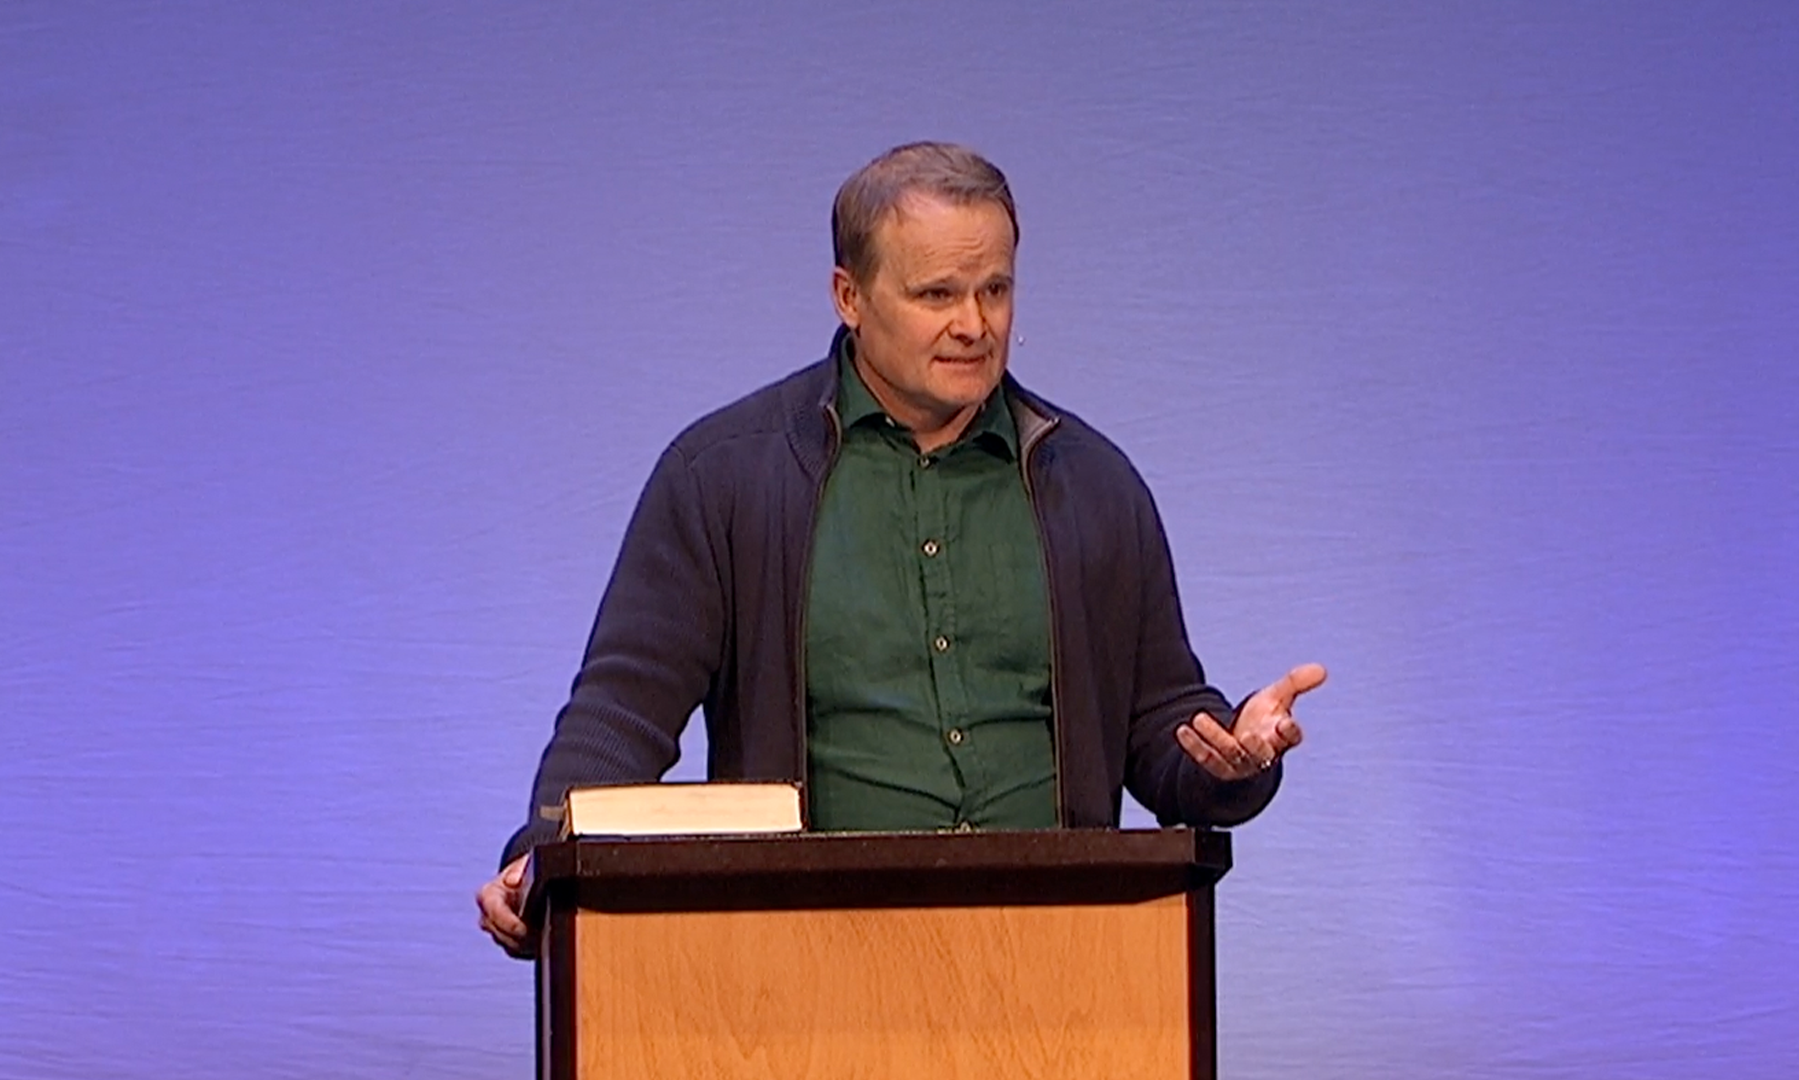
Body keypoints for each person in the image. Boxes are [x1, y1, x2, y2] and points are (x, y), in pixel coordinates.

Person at [477, 142, 1324, 957]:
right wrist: (540, 859)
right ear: (849, 295)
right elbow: (623, 710)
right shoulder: (725, 476)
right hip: (804, 958)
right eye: (937, 294)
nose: (974, 324)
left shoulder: (1094, 485)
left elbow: (1160, 726)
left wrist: (1233, 756)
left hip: (1057, 955)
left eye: (996, 290)